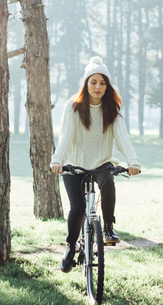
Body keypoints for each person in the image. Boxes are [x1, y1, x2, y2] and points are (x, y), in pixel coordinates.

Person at [51, 56, 141, 273]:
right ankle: (71, 246)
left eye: (102, 83)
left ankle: (108, 228)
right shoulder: (73, 107)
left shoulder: (112, 108)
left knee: (108, 182)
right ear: (86, 83)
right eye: (93, 82)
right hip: (74, 164)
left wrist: (133, 161)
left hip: (101, 162)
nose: (98, 87)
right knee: (78, 207)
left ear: (107, 85)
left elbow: (122, 138)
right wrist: (57, 160)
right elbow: (65, 137)